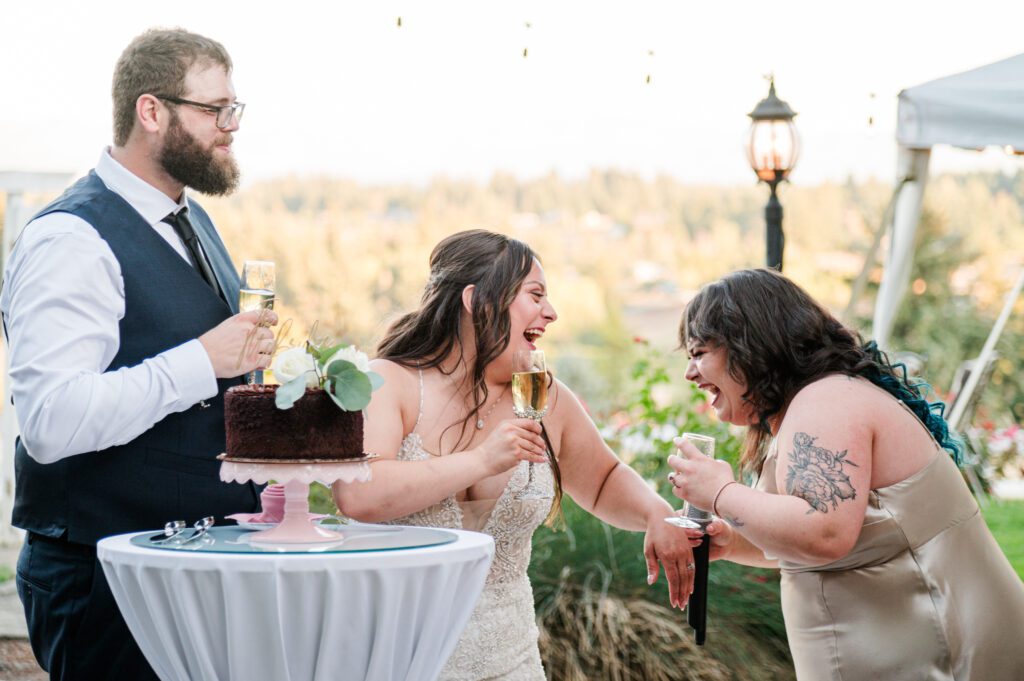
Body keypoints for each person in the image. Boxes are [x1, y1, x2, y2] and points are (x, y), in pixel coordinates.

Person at [1, 28, 278, 679]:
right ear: (151, 112)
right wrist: (201, 359)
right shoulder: (70, 239)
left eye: (235, 109)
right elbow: (51, 423)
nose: (231, 126)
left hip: (194, 569)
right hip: (106, 582)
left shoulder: (190, 217)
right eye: (215, 110)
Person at [333, 229, 700, 680]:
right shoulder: (390, 382)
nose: (551, 312)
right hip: (395, 654)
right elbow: (358, 497)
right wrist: (484, 460)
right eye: (536, 295)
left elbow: (603, 479)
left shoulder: (544, 395)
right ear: (478, 301)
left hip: (508, 659)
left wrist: (655, 511)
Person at [667, 268, 1024, 680]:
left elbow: (825, 533)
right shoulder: (812, 404)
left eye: (698, 353)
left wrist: (721, 492)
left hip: (946, 660)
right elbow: (807, 537)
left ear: (750, 344)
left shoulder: (826, 401)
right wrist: (731, 540)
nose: (690, 374)